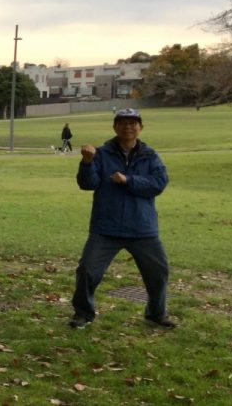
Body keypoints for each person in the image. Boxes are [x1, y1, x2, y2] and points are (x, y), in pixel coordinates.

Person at [69, 108, 176, 330]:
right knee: (87, 270)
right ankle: (83, 314)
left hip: (142, 227)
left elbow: (158, 184)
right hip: (106, 226)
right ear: (115, 127)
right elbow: (87, 184)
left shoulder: (150, 155)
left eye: (133, 123)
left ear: (140, 127)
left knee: (158, 272)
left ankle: (156, 314)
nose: (128, 127)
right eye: (122, 123)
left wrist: (128, 180)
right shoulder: (102, 154)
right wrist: (87, 163)